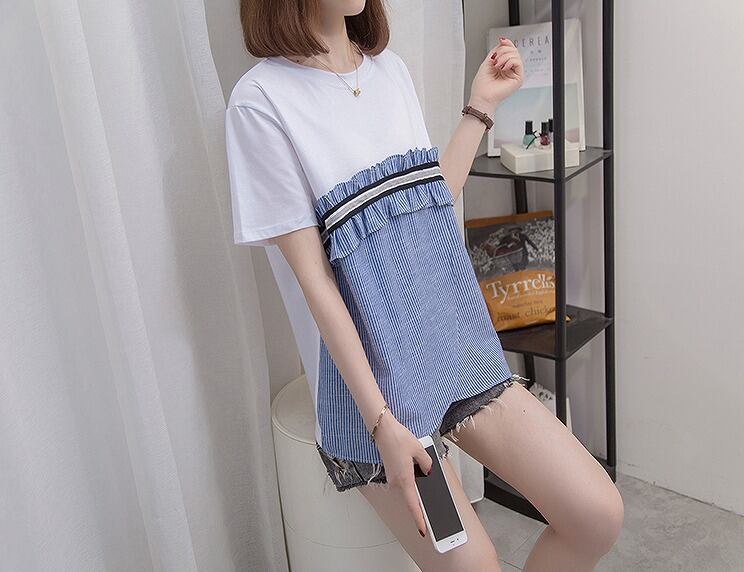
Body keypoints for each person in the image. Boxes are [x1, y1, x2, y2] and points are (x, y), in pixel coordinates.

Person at [225, 1, 624, 570]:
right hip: (376, 395)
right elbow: (316, 284)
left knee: (596, 514)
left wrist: (481, 106)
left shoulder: (388, 71)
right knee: (474, 566)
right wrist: (382, 424)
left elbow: (430, 206)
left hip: (452, 349)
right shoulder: (261, 102)